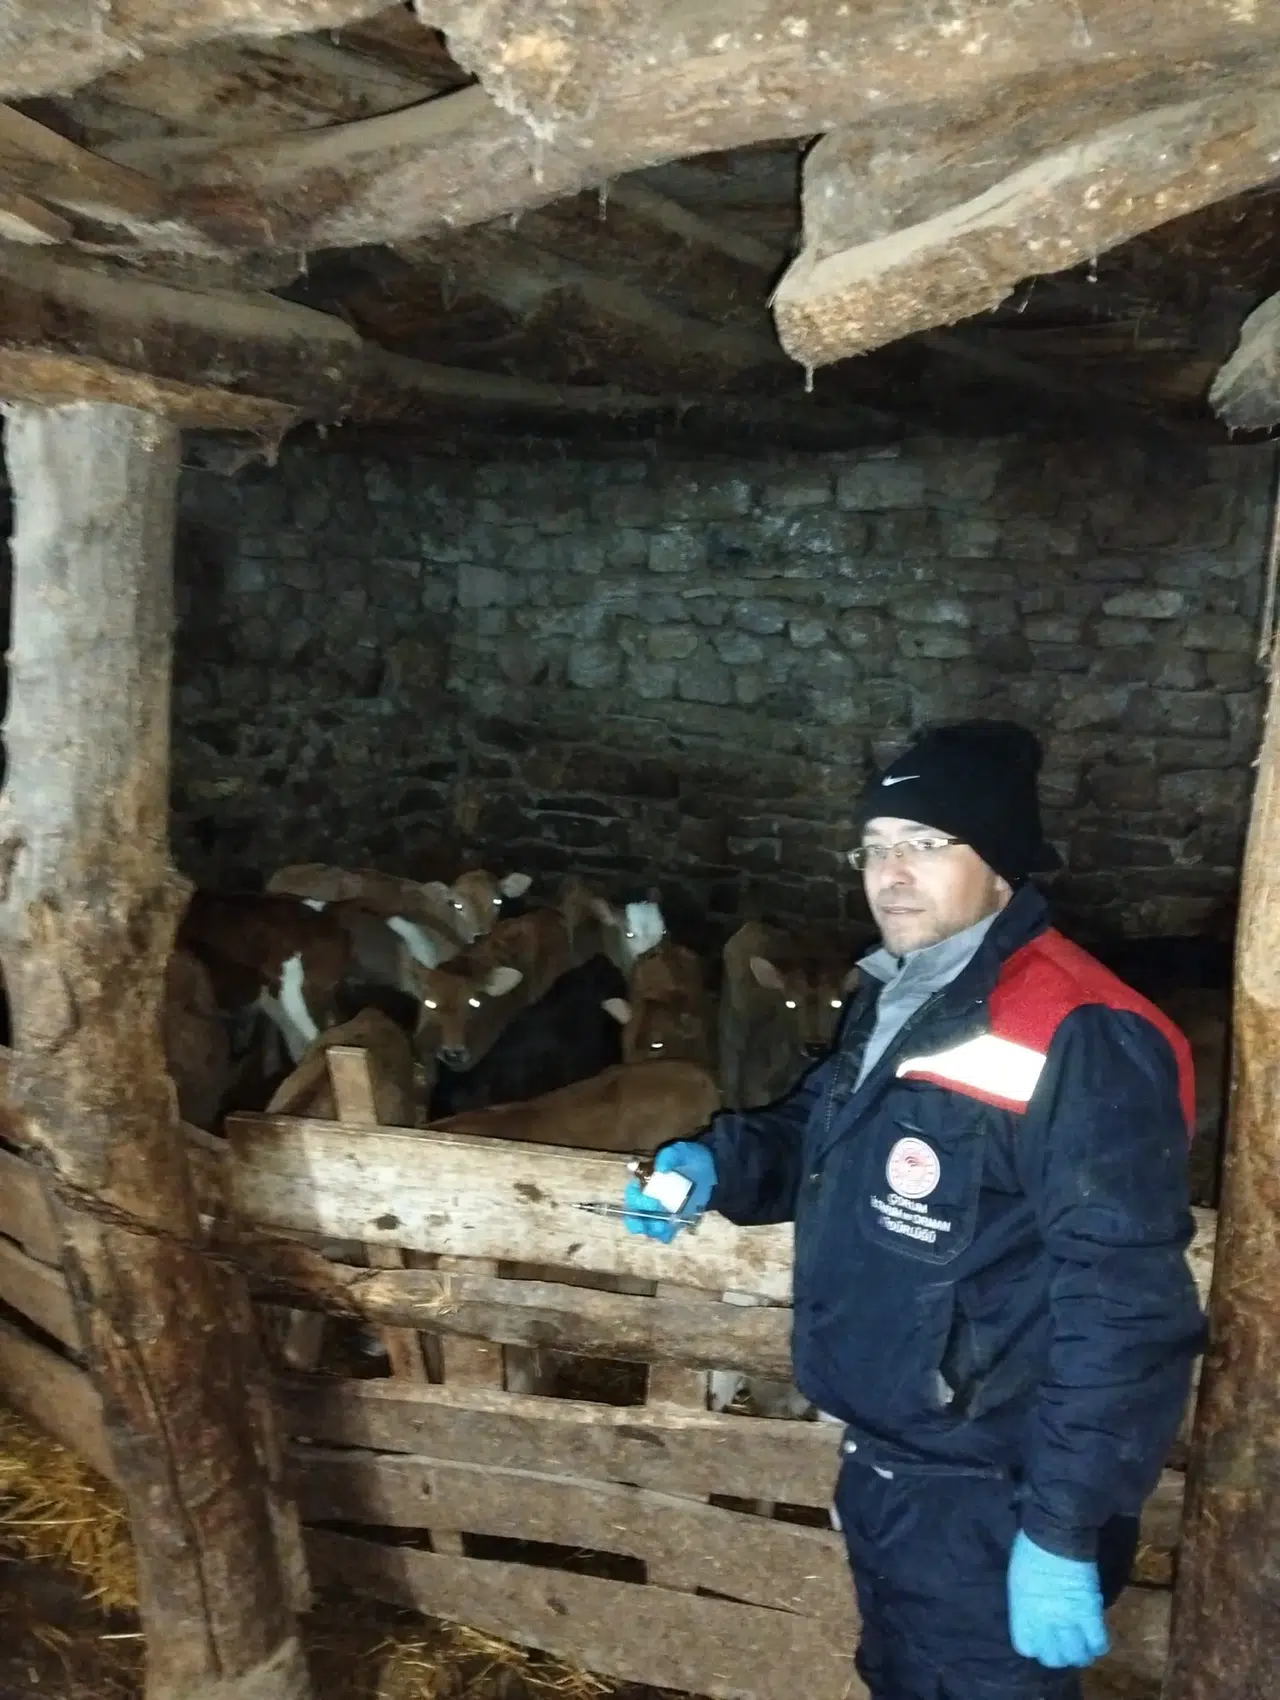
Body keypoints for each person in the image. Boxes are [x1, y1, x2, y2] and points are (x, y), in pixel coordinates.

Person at [622, 720, 1206, 1700]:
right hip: (890, 1467)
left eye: (926, 842)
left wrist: (1062, 1527)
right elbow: (822, 1127)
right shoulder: (898, 992)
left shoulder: (1079, 1031)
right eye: (874, 845)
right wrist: (717, 1164)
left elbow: (1124, 1305)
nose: (890, 873)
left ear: (1001, 863)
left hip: (997, 1496)